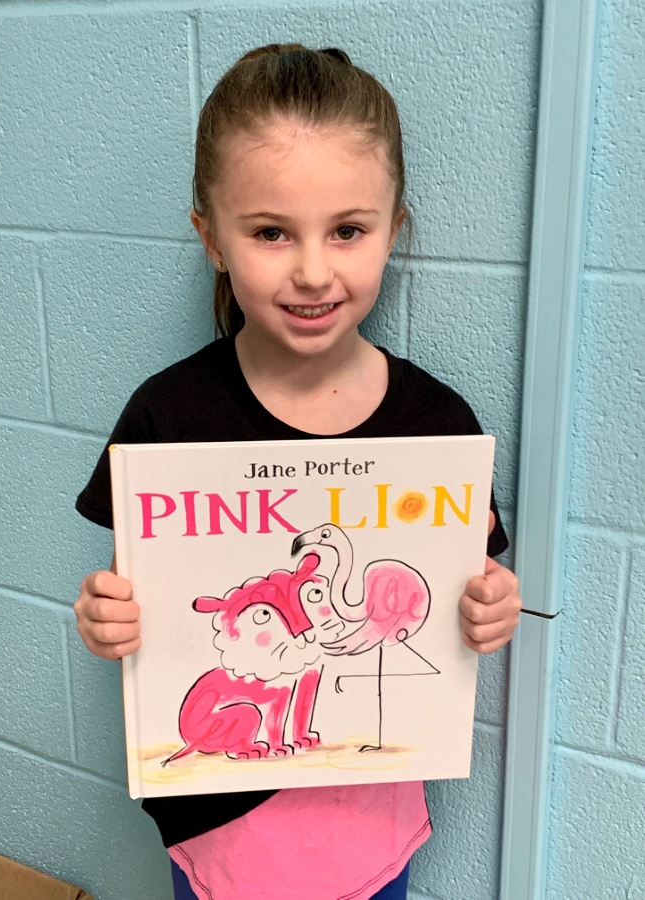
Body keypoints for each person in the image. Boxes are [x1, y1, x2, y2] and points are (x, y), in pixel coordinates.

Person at [73, 44, 522, 900]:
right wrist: (106, 621)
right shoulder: (167, 419)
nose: (313, 271)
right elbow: (141, 603)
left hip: (369, 827)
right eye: (271, 232)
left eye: (348, 230)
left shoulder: (436, 427)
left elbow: (469, 586)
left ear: (395, 228)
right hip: (222, 838)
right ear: (211, 237)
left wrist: (490, 606)